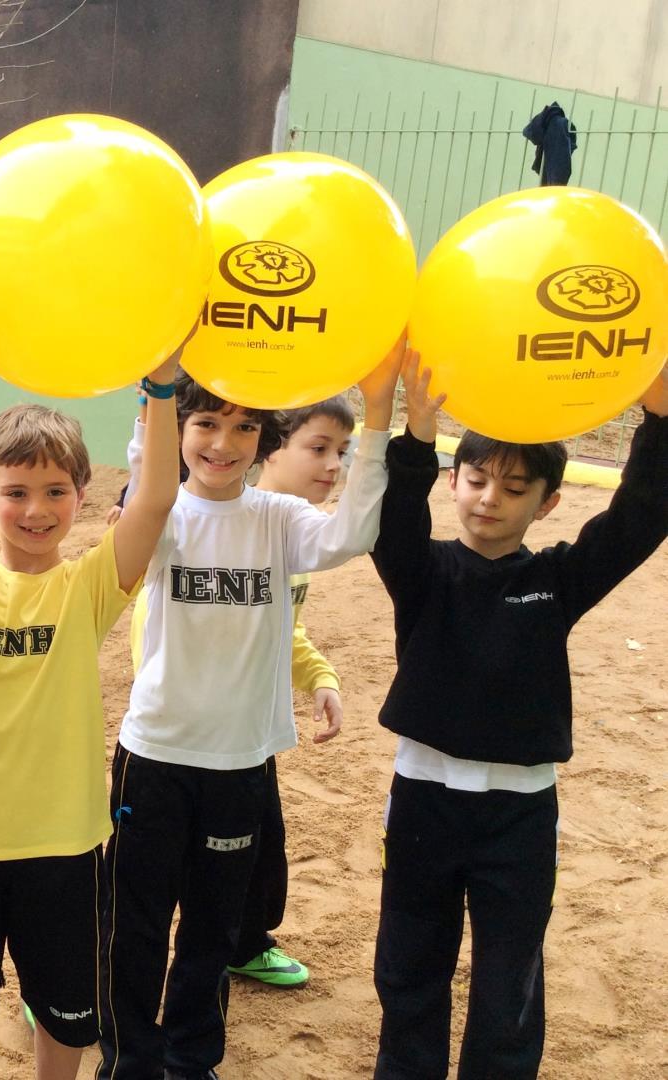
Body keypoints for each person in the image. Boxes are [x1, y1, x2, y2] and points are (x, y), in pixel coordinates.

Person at [97, 344, 401, 1080]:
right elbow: (146, 469)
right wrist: (158, 389)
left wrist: (379, 417)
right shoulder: (158, 512)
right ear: (181, 430)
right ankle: (127, 1061)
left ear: (262, 442)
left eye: (241, 429)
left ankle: (189, 1060)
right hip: (155, 756)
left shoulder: (279, 519)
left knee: (209, 930)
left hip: (236, 765)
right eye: (205, 423)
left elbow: (352, 532)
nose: (221, 444)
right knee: (131, 926)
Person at [370, 355, 668, 1079]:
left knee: (508, 982)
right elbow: (391, 521)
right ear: (452, 481)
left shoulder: (556, 580)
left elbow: (638, 516)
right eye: (475, 480)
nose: (487, 499)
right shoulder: (422, 569)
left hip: (520, 817)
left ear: (547, 503)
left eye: (512, 488)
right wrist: (414, 433)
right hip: (422, 804)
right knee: (408, 967)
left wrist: (659, 417)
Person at [0, 338, 185, 1080]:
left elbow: (154, 499)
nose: (35, 509)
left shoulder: (87, 588)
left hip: (62, 847)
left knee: (67, 1008)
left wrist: (160, 387)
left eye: (55, 491)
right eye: (16, 491)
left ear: (80, 499)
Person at [224, 395, 356, 988]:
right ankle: (78, 980)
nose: (333, 466)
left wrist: (318, 677)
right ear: (272, 446)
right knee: (147, 874)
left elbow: (288, 630)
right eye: (319, 448)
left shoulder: (294, 533)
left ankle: (246, 943)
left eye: (342, 452)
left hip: (254, 733)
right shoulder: (228, 523)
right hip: (195, 740)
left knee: (259, 853)